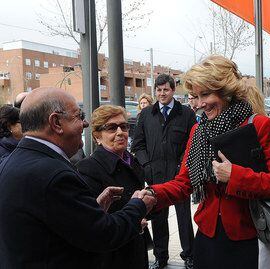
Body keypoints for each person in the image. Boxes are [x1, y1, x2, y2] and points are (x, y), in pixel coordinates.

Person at [140, 55, 270, 269]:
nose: (200, 104)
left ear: (226, 90)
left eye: (206, 94)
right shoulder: (198, 130)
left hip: (249, 237)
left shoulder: (260, 125)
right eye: (196, 96)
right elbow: (184, 183)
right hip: (207, 237)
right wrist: (153, 194)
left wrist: (234, 176)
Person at [0, 87, 156, 268]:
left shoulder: (13, 161)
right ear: (56, 122)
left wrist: (93, 209)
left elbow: (57, 224)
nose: (85, 123)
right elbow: (102, 235)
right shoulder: (55, 174)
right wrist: (138, 205)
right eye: (78, 116)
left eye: (124, 126)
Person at [132, 74, 196, 269]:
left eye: (165, 90)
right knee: (159, 219)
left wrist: (183, 167)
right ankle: (161, 256)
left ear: (173, 90)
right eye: (158, 90)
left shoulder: (185, 114)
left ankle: (190, 255)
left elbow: (192, 144)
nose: (161, 94)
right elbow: (138, 145)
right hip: (155, 176)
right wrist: (146, 165)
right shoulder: (146, 115)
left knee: (184, 218)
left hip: (180, 177)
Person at [76, 105, 149, 269]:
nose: (120, 132)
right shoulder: (88, 169)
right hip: (111, 255)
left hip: (136, 247)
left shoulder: (133, 162)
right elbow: (92, 222)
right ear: (97, 136)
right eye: (111, 128)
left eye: (123, 126)